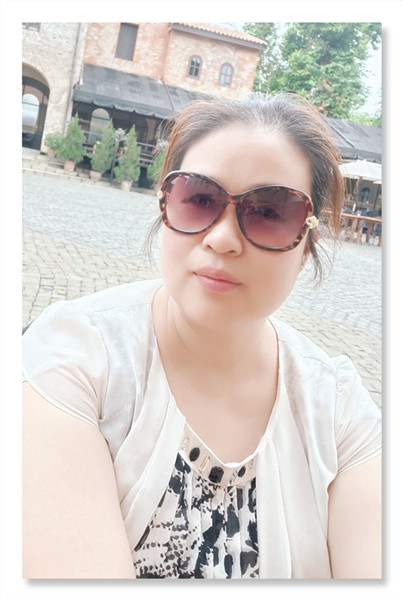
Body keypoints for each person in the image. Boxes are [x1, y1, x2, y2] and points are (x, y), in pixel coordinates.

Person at [22, 94, 381, 579]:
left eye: (270, 212)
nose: (222, 239)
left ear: (306, 245)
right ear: (165, 206)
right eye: (199, 199)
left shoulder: (340, 411)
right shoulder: (74, 359)